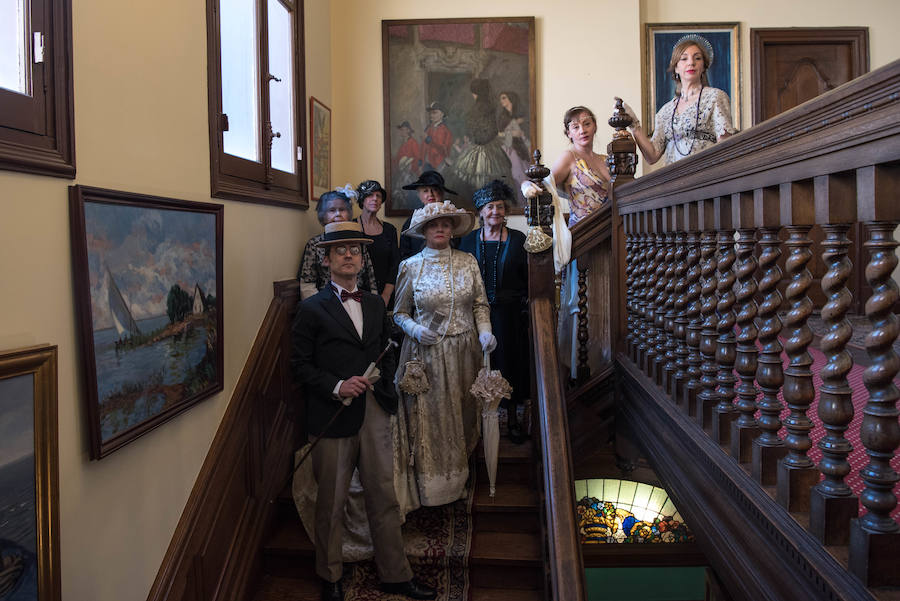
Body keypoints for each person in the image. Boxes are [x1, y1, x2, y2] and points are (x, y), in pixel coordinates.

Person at [291, 221, 436, 601]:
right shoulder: (311, 309)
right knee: (332, 501)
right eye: (340, 250)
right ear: (326, 260)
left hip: (373, 412)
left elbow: (384, 351)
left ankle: (396, 575)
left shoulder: (374, 303)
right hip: (332, 415)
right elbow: (299, 366)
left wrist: (383, 387)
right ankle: (330, 575)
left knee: (383, 498)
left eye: (355, 250)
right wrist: (337, 386)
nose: (349, 255)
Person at [393, 201, 496, 506]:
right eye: (434, 224)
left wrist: (485, 330)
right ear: (424, 231)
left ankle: (461, 474)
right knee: (434, 418)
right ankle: (434, 487)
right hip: (427, 354)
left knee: (464, 413)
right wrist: (414, 330)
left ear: (453, 230)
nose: (440, 229)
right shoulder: (410, 266)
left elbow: (479, 303)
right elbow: (399, 312)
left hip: (465, 352)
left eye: (446, 224)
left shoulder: (468, 261)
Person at [458, 180, 529, 443]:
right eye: (490, 207)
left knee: (509, 366)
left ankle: (511, 421)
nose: (495, 212)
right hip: (474, 316)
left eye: (500, 207)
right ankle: (476, 423)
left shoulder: (519, 240)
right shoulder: (466, 242)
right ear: (480, 211)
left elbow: (527, 278)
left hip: (509, 317)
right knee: (478, 368)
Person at [625, 35, 736, 166]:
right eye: (684, 58)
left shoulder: (715, 97)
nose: (691, 63)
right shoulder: (665, 111)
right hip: (673, 180)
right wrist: (634, 126)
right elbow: (652, 155)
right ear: (676, 68)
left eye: (697, 58)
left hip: (706, 177)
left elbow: (725, 146)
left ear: (704, 66)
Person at [297, 188, 378, 300]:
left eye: (342, 209)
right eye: (332, 210)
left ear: (349, 212)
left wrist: (373, 303)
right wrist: (319, 308)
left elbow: (370, 278)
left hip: (358, 300)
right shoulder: (314, 244)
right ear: (323, 214)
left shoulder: (358, 241)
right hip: (325, 302)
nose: (337, 214)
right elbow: (307, 283)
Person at [453, 79, 511, 194]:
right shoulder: (490, 107)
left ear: (475, 93)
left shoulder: (474, 109)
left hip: (478, 146)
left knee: (478, 179)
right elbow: (493, 130)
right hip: (488, 146)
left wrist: (477, 139)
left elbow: (476, 130)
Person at [355, 180, 400, 307]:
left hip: (387, 295)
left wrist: (385, 296)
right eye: (370, 195)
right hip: (358, 295)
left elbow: (394, 264)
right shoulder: (351, 227)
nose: (375, 199)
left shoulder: (389, 230)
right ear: (362, 200)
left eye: (378, 196)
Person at [398, 170, 458, 260]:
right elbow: (404, 254)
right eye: (425, 191)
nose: (430, 194)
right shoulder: (411, 223)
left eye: (435, 190)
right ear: (419, 195)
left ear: (442, 193)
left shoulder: (454, 218)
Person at [497, 90, 531, 206]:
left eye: (504, 98)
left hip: (521, 146)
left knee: (526, 170)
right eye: (501, 98)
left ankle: (528, 200)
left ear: (510, 99)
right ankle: (522, 202)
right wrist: (512, 133)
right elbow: (498, 134)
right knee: (517, 173)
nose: (502, 101)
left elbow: (525, 130)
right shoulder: (502, 116)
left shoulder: (519, 114)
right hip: (508, 146)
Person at [420, 102, 453, 172]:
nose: (431, 115)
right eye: (430, 113)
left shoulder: (446, 131)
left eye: (434, 113)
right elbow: (423, 146)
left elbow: (445, 150)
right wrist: (420, 161)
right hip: (426, 164)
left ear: (442, 114)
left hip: (439, 165)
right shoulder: (428, 128)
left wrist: (429, 140)